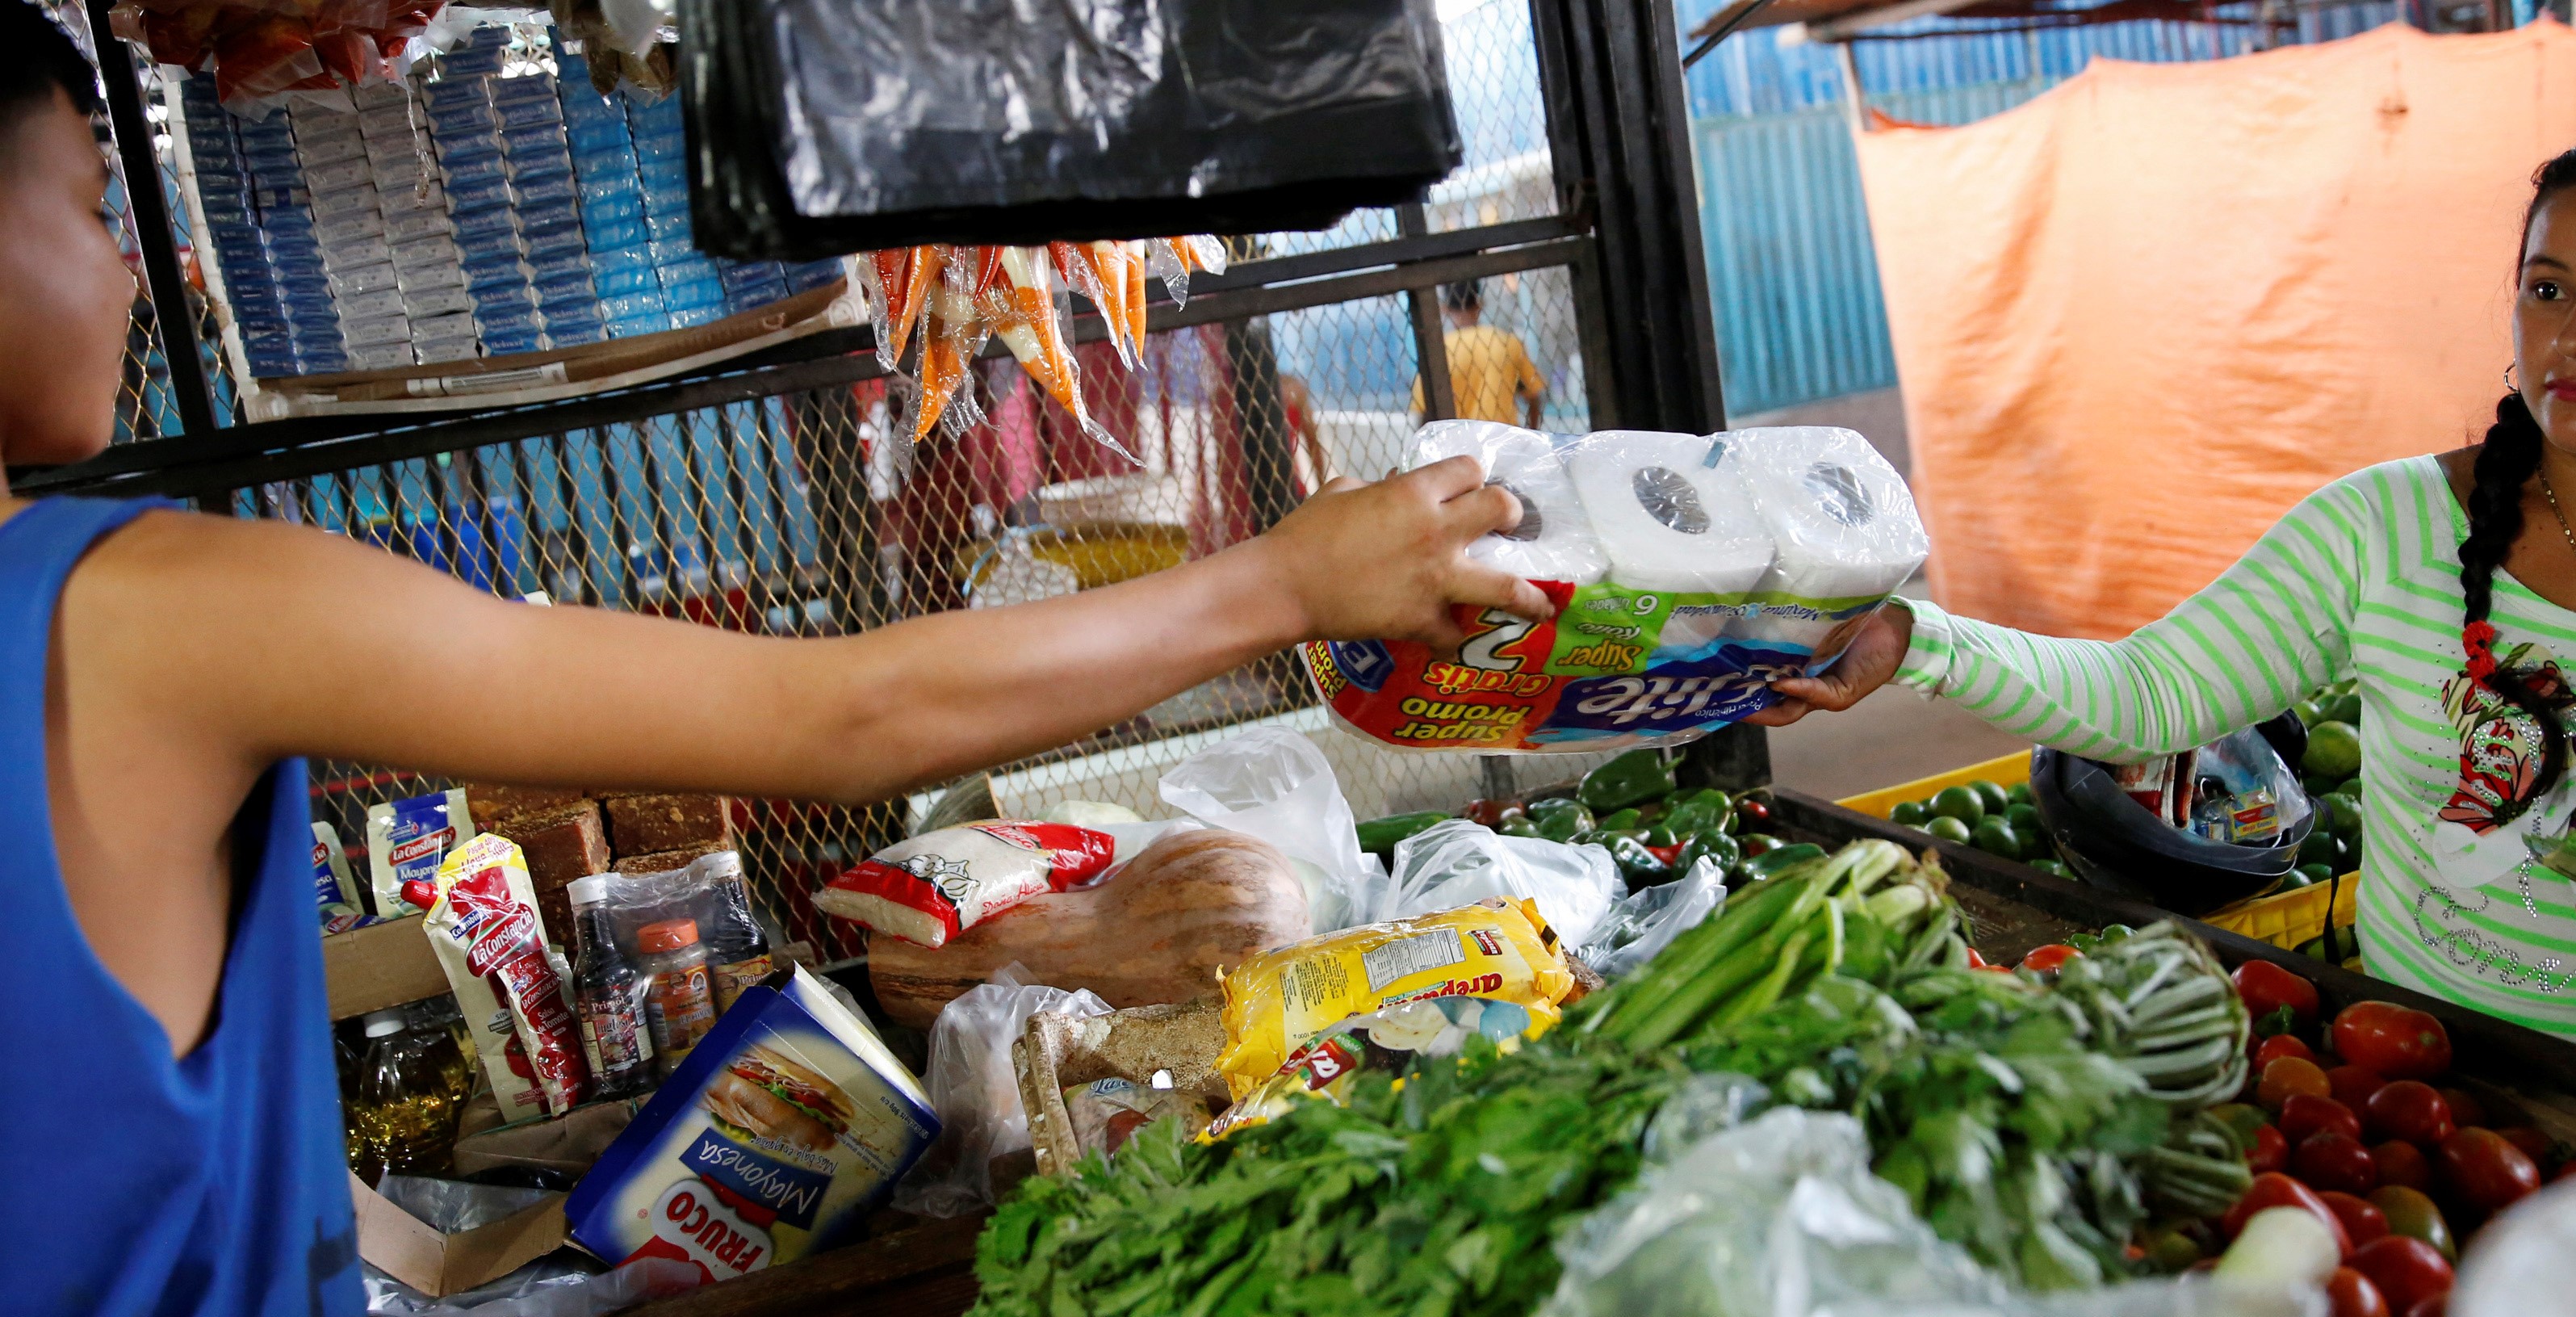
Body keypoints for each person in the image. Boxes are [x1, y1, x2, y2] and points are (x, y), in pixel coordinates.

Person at [0, 15, 1544, 1316]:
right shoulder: (143, 613)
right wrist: (1288, 577)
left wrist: (477, 1254)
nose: (141, 274)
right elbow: (849, 712)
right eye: (87, 207)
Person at [1758, 118, 2576, 1078]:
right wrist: (1915, 637)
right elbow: (2152, 694)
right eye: (2548, 288)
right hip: (2420, 1076)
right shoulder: (2385, 527)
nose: (2575, 335)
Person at [1414, 278, 1545, 428]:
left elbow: (1424, 412)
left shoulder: (1438, 351)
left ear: (1444, 309)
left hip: (1460, 445)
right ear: (1480, 304)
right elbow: (1534, 397)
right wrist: (1530, 435)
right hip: (1502, 441)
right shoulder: (1507, 342)